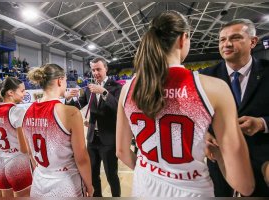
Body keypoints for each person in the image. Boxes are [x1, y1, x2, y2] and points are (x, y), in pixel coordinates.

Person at [116, 11, 255, 197]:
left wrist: (150, 172)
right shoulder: (214, 88)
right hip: (192, 191)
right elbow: (244, 185)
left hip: (144, 188)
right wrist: (217, 153)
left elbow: (122, 151)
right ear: (183, 39)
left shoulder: (128, 88)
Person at [201, 19, 269, 197]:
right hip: (220, 159)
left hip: (262, 160)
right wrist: (203, 135)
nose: (227, 44)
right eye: (222, 40)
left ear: (253, 42)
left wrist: (262, 123)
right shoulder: (205, 76)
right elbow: (196, 117)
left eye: (235, 37)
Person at [22, 63, 93, 197]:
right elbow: (82, 158)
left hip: (39, 179)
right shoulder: (70, 112)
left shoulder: (27, 111)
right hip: (65, 182)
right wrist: (89, 185)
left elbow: (30, 152)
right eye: (65, 80)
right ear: (60, 80)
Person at [66, 57, 122, 197]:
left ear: (106, 69)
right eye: (93, 70)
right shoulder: (90, 89)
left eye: (98, 69)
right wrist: (68, 98)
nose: (95, 72)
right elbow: (77, 106)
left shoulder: (116, 87)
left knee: (111, 176)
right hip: (92, 139)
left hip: (109, 140)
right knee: (93, 175)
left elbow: (118, 108)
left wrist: (104, 92)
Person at [0, 77, 32, 197]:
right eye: (22, 91)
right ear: (10, 92)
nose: (25, 93)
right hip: (17, 162)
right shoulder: (17, 111)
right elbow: (24, 148)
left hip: (1, 162)